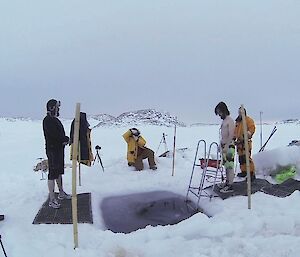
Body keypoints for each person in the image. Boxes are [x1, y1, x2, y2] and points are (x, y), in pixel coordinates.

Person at [43, 99, 71, 209]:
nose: (58, 109)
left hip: (58, 149)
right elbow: (54, 135)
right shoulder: (48, 120)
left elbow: (59, 135)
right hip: (52, 150)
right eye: (56, 107)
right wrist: (64, 139)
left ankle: (61, 193)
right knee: (53, 173)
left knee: (59, 171)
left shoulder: (55, 120)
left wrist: (65, 140)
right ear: (51, 107)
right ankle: (52, 199)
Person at [215, 102, 236, 193]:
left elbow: (231, 134)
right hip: (224, 146)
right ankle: (227, 182)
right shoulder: (224, 121)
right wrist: (221, 145)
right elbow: (223, 135)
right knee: (226, 166)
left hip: (229, 146)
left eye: (220, 112)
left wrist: (227, 146)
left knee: (230, 166)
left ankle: (230, 185)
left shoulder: (230, 121)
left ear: (224, 110)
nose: (219, 115)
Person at [234, 107, 256, 181]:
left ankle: (251, 173)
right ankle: (244, 171)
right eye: (239, 112)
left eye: (241, 112)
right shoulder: (237, 122)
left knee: (247, 158)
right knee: (241, 159)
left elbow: (252, 129)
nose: (240, 114)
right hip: (239, 144)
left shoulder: (248, 120)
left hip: (246, 142)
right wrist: (234, 138)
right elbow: (235, 131)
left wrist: (245, 136)